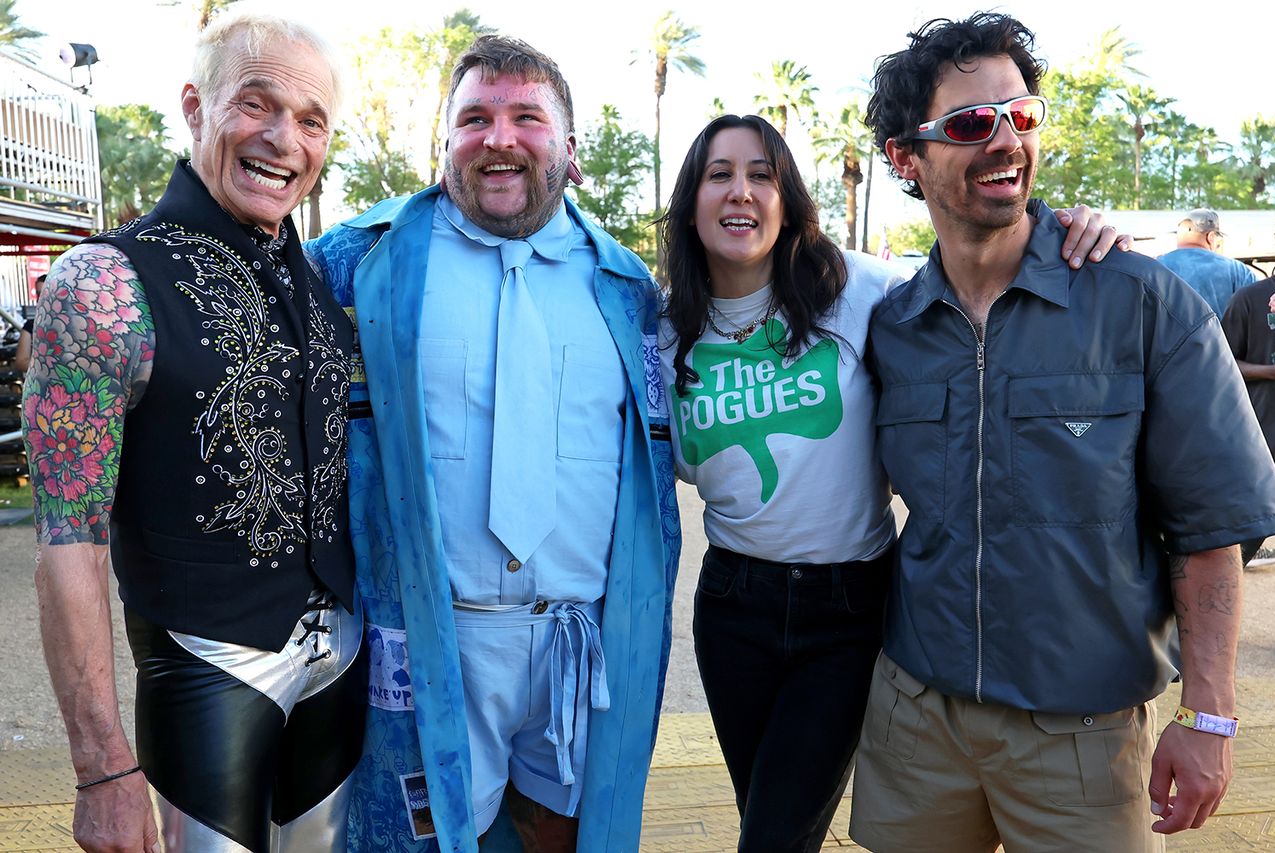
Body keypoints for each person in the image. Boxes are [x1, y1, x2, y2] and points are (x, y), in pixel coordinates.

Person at [852, 12, 1275, 852]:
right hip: (916, 725)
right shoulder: (889, 325)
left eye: (1022, 115)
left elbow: (1210, 528)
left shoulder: (1140, 302)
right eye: (973, 123)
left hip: (1084, 737)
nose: (1005, 140)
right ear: (907, 158)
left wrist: (1210, 716)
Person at [656, 113, 1124, 852]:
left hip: (846, 610)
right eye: (719, 174)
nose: (740, 191)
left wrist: (1065, 229)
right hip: (731, 607)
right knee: (769, 818)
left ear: (789, 200)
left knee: (772, 837)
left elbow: (978, 273)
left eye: (761, 174)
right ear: (692, 202)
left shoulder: (857, 289)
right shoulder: (665, 329)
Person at [306, 35, 680, 853]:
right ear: (441, 146)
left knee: (565, 837)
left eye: (527, 118)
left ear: (571, 152)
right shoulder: (354, 267)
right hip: (428, 643)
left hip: (578, 644)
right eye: (474, 118)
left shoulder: (629, 291)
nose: (500, 138)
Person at [22, 13, 364, 853]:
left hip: (341, 660)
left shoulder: (316, 271)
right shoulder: (103, 284)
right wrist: (103, 766)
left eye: (311, 120)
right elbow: (68, 545)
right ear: (195, 107)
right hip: (209, 665)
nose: (284, 139)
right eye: (258, 104)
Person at [1222, 212, 1275, 567]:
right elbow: (1224, 365)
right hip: (1264, 434)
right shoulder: (1249, 299)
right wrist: (1271, 372)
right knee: (1244, 532)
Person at [1157, 208, 1256, 318]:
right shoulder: (1237, 270)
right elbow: (1258, 306)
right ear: (1211, 237)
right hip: (1220, 335)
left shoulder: (1155, 266)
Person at [14, 273, 44, 373]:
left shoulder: (72, 323)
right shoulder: (30, 325)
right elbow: (21, 362)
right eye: (39, 294)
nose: (41, 299)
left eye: (46, 293)